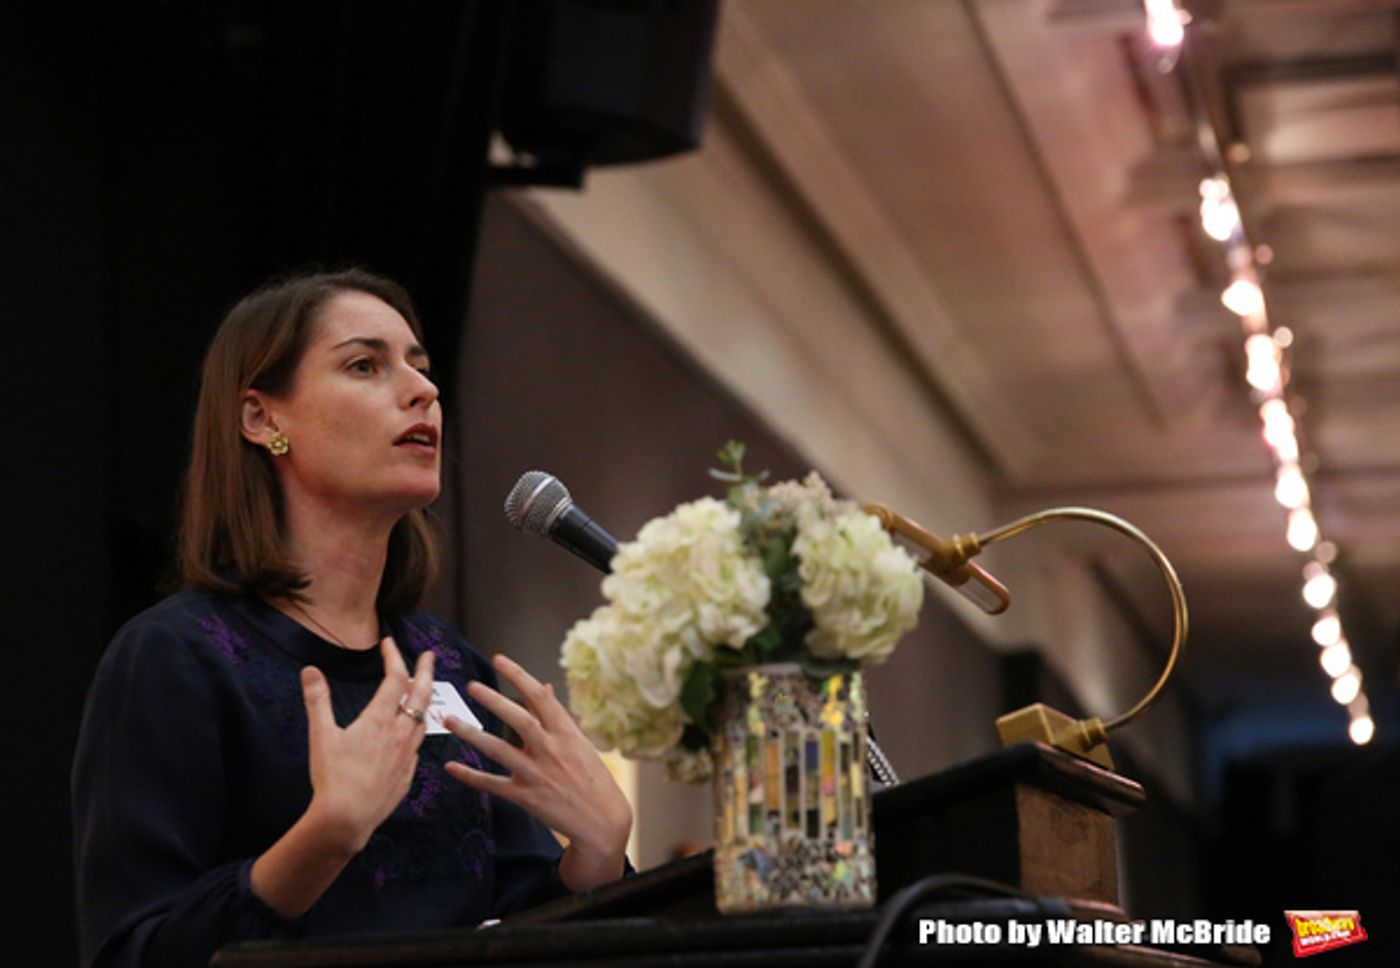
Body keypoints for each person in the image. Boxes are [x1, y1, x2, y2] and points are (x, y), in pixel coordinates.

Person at [71, 269, 633, 968]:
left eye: (421, 368)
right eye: (365, 365)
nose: (422, 390)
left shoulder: (449, 665)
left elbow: (519, 927)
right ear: (263, 419)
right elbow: (132, 950)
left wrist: (596, 857)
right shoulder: (175, 658)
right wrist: (325, 836)